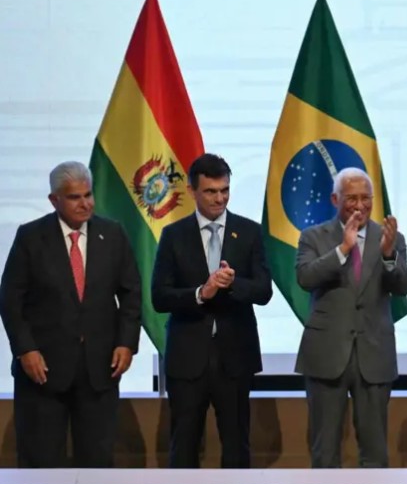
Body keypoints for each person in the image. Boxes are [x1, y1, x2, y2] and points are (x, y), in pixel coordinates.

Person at [0, 161, 141, 468]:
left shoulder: (113, 234)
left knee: (97, 464)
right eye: (75, 197)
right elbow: (10, 300)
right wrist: (25, 349)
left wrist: (126, 343)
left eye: (88, 195)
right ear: (54, 200)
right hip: (42, 372)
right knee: (40, 465)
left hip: (99, 370)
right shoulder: (30, 237)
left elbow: (132, 294)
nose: (85, 203)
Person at [152, 153, 273, 468]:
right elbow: (159, 297)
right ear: (192, 191)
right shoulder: (173, 235)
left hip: (235, 357)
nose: (220, 198)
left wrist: (232, 284)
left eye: (225, 190)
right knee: (184, 445)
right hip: (187, 357)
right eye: (210, 191)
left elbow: (264, 291)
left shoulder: (249, 232)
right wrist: (200, 293)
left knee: (236, 445)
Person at [295, 167, 407, 468]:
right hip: (327, 354)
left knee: (375, 451)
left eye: (365, 198)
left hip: (374, 352)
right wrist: (343, 249)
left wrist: (389, 256)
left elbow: (402, 287)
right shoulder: (313, 236)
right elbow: (305, 278)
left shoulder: (390, 238)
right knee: (325, 450)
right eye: (351, 198)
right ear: (335, 199)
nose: (359, 206)